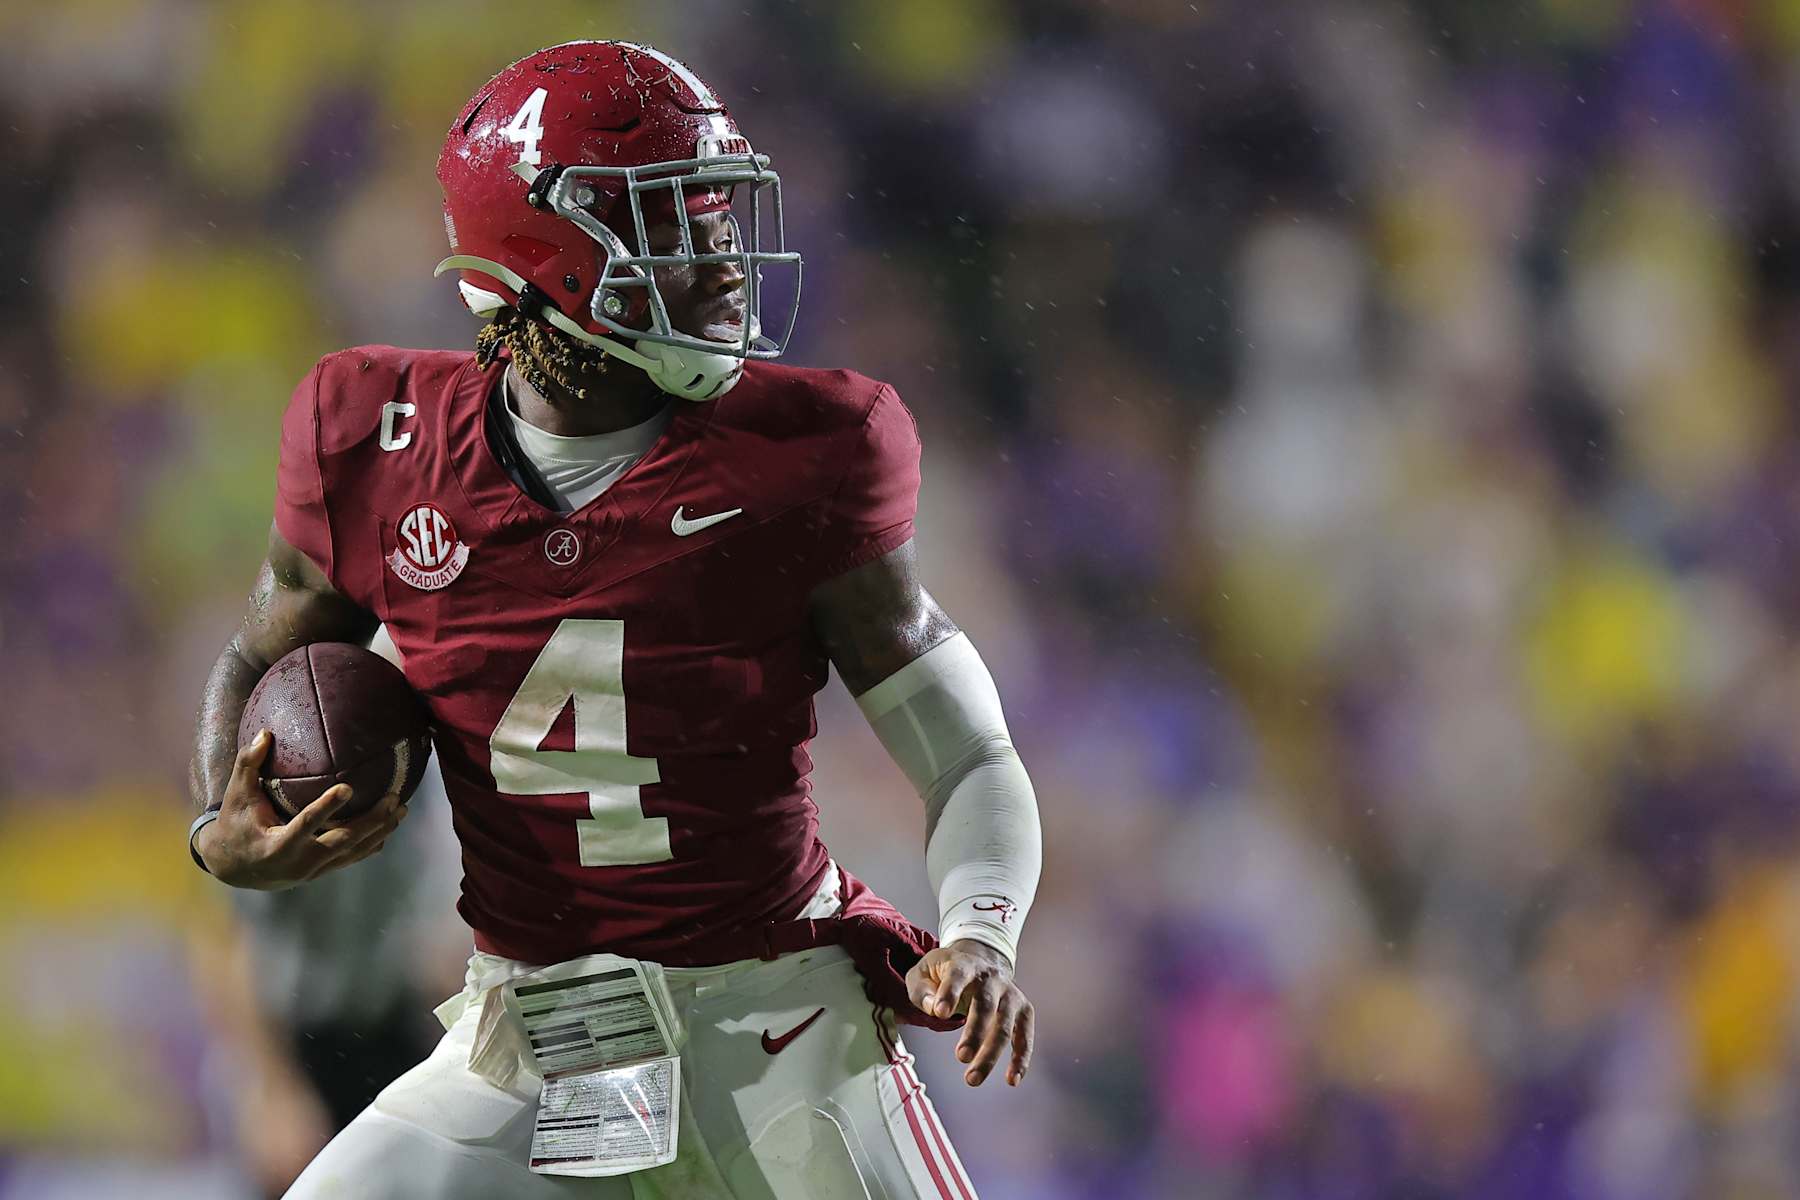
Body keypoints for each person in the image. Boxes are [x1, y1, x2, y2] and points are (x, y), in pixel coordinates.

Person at [185, 40, 1042, 1199]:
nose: (726, 257)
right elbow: (257, 649)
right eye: (676, 223)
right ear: (549, 261)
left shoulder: (810, 455)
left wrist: (982, 929)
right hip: (539, 1038)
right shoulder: (372, 438)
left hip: (780, 1025)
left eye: (720, 212)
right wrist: (219, 831)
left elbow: (972, 753)